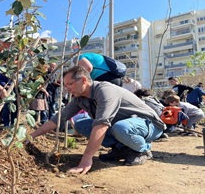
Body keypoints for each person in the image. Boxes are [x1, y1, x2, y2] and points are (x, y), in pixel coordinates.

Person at [28, 65, 165, 174]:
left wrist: (86, 159)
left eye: (69, 84)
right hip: (124, 126)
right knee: (81, 125)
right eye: (65, 85)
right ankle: (122, 148)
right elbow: (57, 119)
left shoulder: (105, 91)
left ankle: (143, 149)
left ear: (83, 80)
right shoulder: (80, 98)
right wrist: (30, 136)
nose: (67, 88)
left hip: (148, 124)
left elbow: (102, 124)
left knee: (120, 128)